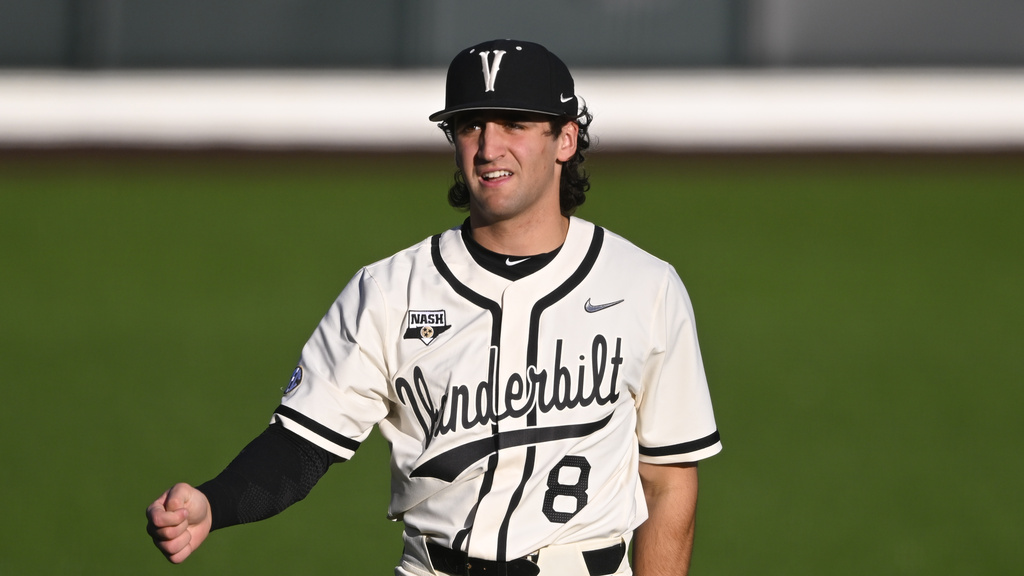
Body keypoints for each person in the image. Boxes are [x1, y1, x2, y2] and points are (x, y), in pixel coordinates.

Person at [146, 38, 722, 576]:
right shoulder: (391, 289)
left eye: (514, 124)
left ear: (565, 140)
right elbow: (302, 443)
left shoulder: (645, 285)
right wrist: (214, 502)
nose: (489, 147)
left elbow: (669, 480)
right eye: (470, 126)